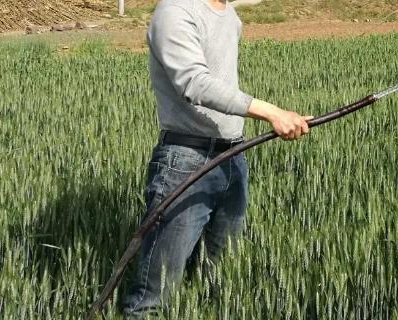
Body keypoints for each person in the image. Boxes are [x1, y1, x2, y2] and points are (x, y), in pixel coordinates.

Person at [121, 0, 311, 317]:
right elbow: (194, 82)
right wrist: (272, 112)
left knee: (220, 282)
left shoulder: (228, 13)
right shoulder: (175, 11)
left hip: (234, 156)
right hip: (186, 161)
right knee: (154, 296)